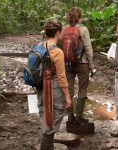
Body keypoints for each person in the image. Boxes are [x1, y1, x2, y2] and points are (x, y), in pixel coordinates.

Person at [37, 20, 72, 150]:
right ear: (58, 33)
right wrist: (67, 96)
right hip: (53, 88)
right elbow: (62, 77)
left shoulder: (40, 46)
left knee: (46, 118)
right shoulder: (57, 52)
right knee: (52, 121)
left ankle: (48, 146)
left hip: (41, 88)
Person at [63, 7, 95, 123]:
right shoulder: (84, 29)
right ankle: (79, 116)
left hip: (68, 64)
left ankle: (70, 116)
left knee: (69, 90)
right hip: (82, 64)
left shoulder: (65, 29)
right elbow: (88, 49)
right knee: (82, 90)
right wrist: (91, 65)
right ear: (80, 17)